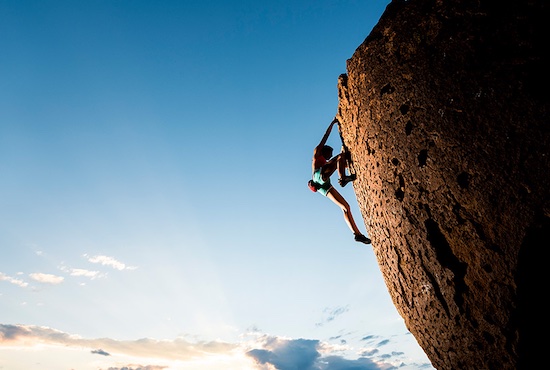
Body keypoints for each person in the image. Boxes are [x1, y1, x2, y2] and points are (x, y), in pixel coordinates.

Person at [311, 117, 371, 244]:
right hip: (318, 176)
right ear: (325, 151)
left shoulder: (327, 162)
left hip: (324, 186)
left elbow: (343, 164)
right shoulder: (317, 153)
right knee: (340, 156)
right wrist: (332, 123)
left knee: (346, 207)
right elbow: (325, 136)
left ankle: (357, 234)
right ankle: (343, 178)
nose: (328, 157)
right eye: (329, 154)